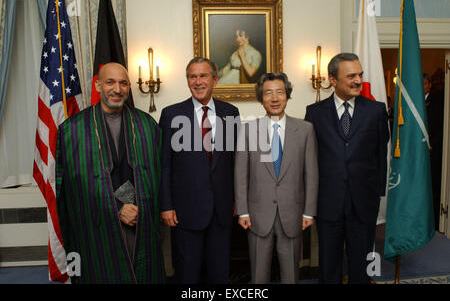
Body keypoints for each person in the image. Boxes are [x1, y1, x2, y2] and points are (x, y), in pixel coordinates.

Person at [55, 62, 165, 283]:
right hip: (97, 226)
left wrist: (136, 207)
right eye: (110, 82)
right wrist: (117, 208)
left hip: (139, 220)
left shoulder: (146, 124)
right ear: (97, 85)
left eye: (123, 83)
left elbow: (157, 175)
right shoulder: (72, 130)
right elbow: (71, 189)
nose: (117, 89)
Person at [305, 53, 389, 284]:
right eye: (351, 76)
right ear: (332, 80)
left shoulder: (377, 111)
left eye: (360, 75)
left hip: (363, 203)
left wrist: (377, 192)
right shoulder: (314, 113)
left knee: (360, 268)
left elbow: (381, 154)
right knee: (329, 266)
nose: (358, 80)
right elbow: (310, 159)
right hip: (328, 203)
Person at [159, 57, 240, 283]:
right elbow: (165, 164)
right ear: (187, 80)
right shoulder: (171, 114)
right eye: (192, 76)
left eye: (203, 76)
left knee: (219, 272)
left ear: (215, 79)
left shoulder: (230, 112)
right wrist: (166, 205)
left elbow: (235, 161)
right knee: (187, 272)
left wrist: (237, 199)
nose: (198, 81)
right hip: (185, 212)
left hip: (222, 210)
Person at [234, 73, 318, 283]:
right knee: (258, 276)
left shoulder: (305, 130)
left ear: (287, 96)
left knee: (291, 275)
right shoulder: (247, 130)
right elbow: (241, 174)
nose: (274, 98)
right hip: (257, 215)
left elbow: (312, 173)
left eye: (280, 92)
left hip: (294, 214)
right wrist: (242, 210)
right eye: (268, 93)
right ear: (261, 98)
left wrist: (309, 211)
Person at [424, 73, 444, 231]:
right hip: (417, 155)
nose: (422, 86)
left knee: (433, 188)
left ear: (429, 84)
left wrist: (433, 144)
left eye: (424, 83)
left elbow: (441, 127)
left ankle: (435, 223)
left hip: (433, 153)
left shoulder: (438, 102)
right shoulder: (412, 101)